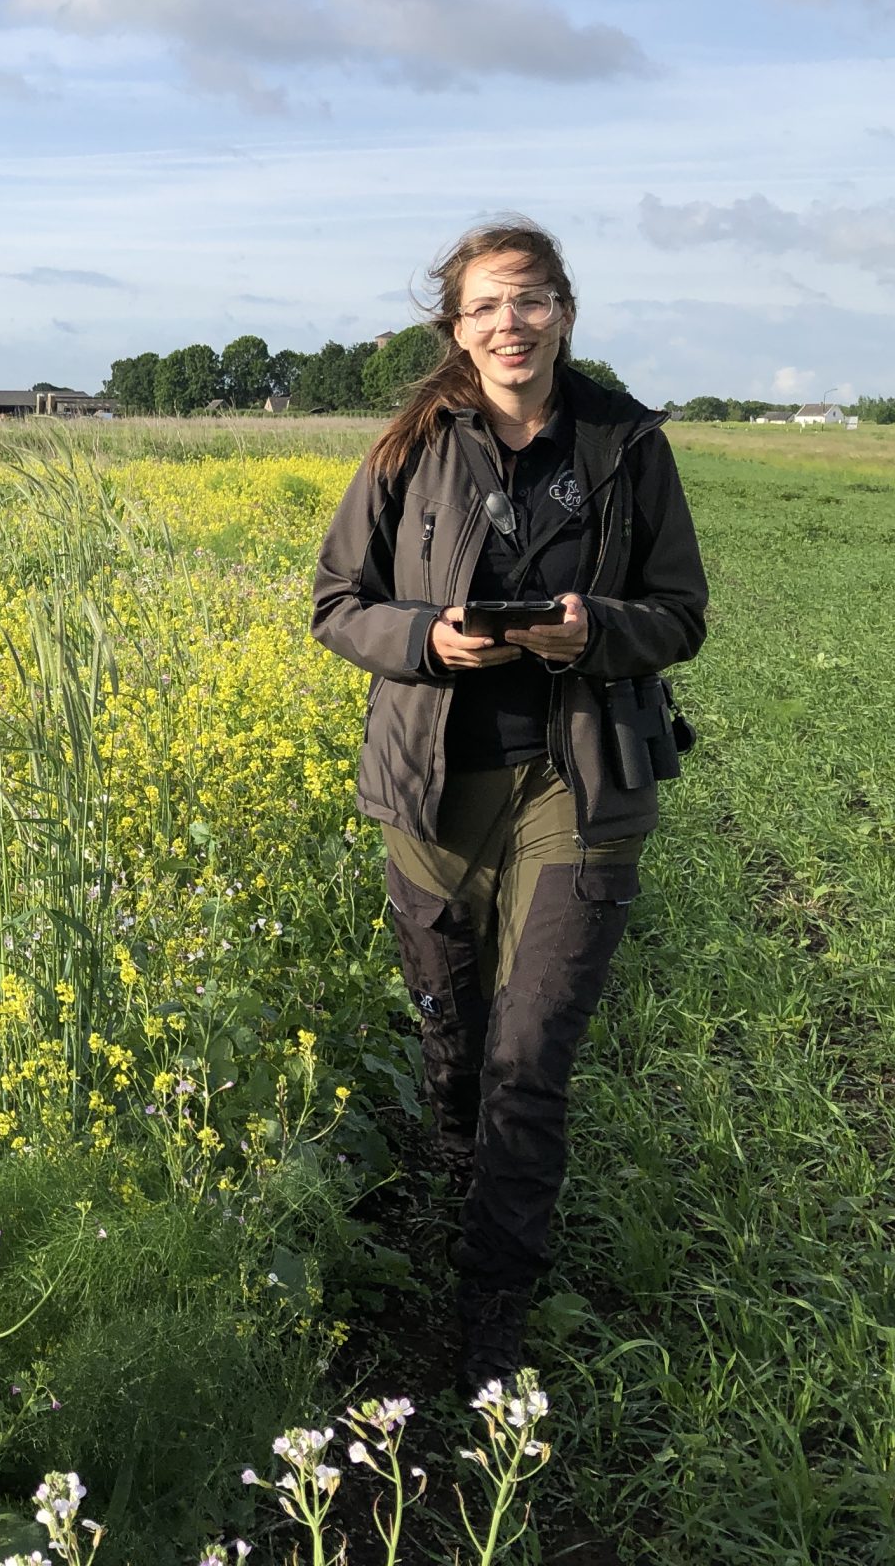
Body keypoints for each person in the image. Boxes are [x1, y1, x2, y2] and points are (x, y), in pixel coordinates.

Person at [311, 218, 707, 1395]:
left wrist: (596, 631)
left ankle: (494, 1305)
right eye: (485, 306)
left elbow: (681, 613)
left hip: (580, 782)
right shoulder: (405, 451)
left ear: (563, 313)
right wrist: (426, 639)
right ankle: (452, 1170)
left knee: (530, 1057)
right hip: (434, 783)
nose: (508, 324)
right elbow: (336, 603)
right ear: (456, 327)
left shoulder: (625, 443)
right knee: (455, 1039)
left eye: (528, 300)